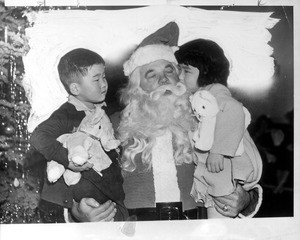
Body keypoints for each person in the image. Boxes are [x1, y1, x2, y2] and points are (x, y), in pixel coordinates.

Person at [115, 22, 261, 220]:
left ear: (179, 77)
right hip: (135, 226)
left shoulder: (205, 115)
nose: (164, 79)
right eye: (152, 74)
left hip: (193, 225)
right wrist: (80, 212)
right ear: (137, 85)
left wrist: (246, 199)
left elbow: (245, 161)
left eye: (169, 71)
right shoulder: (115, 124)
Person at [30, 48, 128, 222]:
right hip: (83, 203)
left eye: (104, 76)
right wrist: (67, 160)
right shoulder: (67, 113)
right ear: (75, 88)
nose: (104, 84)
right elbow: (38, 137)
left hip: (110, 198)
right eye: (96, 79)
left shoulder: (103, 111)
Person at [175, 39, 263, 218]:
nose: (180, 77)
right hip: (215, 169)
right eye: (179, 70)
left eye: (186, 71)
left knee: (220, 206)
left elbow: (233, 110)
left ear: (206, 71)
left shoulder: (215, 93)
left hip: (222, 164)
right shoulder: (198, 96)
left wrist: (218, 151)